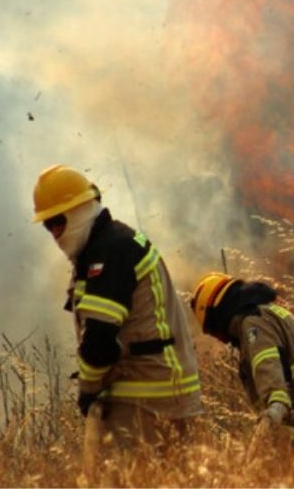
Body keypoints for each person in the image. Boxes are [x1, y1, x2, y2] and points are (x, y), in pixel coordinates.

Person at [32, 164, 203, 452]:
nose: (54, 233)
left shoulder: (110, 252)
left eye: (57, 221)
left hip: (142, 400)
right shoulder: (112, 243)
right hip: (159, 395)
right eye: (48, 225)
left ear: (80, 210)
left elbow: (100, 341)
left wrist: (87, 390)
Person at [191, 272, 294, 429]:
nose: (219, 338)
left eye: (213, 330)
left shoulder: (253, 324)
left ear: (218, 314)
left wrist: (270, 418)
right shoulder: (267, 311)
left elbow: (269, 371)